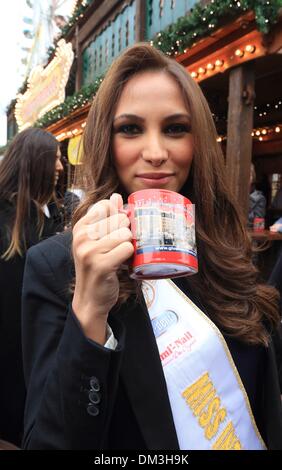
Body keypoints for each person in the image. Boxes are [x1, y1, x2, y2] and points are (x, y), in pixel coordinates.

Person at [22, 43, 282, 450]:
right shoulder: (57, 265)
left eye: (176, 128)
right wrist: (90, 311)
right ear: (105, 141)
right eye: (130, 129)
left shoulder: (224, 245)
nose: (157, 153)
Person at [0, 127, 64, 446]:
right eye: (55, 158)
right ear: (35, 162)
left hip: (34, 341)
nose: (61, 167)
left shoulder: (49, 215)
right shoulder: (7, 219)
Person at [248, 163, 266, 229]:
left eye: (248, 175)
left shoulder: (260, 199)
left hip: (249, 236)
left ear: (252, 177)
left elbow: (259, 226)